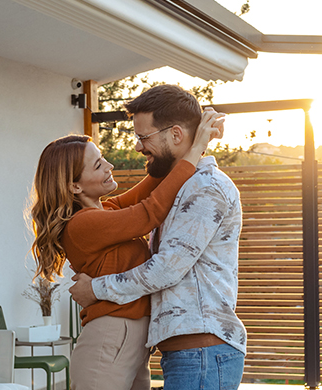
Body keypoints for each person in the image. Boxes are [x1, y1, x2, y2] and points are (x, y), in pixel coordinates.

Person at [28, 107, 223, 390]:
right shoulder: (83, 224)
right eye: (97, 165)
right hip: (110, 338)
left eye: (103, 158)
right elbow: (150, 212)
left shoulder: (107, 210)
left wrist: (192, 142)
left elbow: (156, 183)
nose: (109, 166)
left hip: (130, 341)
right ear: (74, 187)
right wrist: (197, 148)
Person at [69, 84, 246, 390]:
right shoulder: (180, 188)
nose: (137, 147)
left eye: (143, 137)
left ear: (175, 135)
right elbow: (148, 203)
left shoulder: (204, 187)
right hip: (187, 350)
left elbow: (165, 268)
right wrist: (196, 144)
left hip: (201, 349)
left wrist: (96, 289)